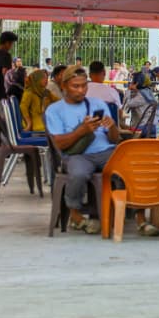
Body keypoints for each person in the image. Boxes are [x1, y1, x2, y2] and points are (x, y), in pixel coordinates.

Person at [45, 65, 121, 234]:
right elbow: (59, 144)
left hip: (105, 151)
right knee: (78, 173)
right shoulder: (54, 110)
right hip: (77, 154)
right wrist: (82, 131)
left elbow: (114, 139)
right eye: (75, 86)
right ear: (64, 86)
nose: (81, 90)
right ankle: (75, 214)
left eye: (84, 86)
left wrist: (113, 127)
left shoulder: (98, 103)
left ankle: (136, 215)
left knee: (127, 167)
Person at [19, 68, 53, 133]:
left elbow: (58, 100)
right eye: (43, 78)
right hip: (36, 125)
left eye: (47, 78)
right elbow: (23, 107)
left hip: (43, 121)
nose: (46, 80)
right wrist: (29, 124)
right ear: (37, 80)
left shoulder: (44, 91)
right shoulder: (29, 93)